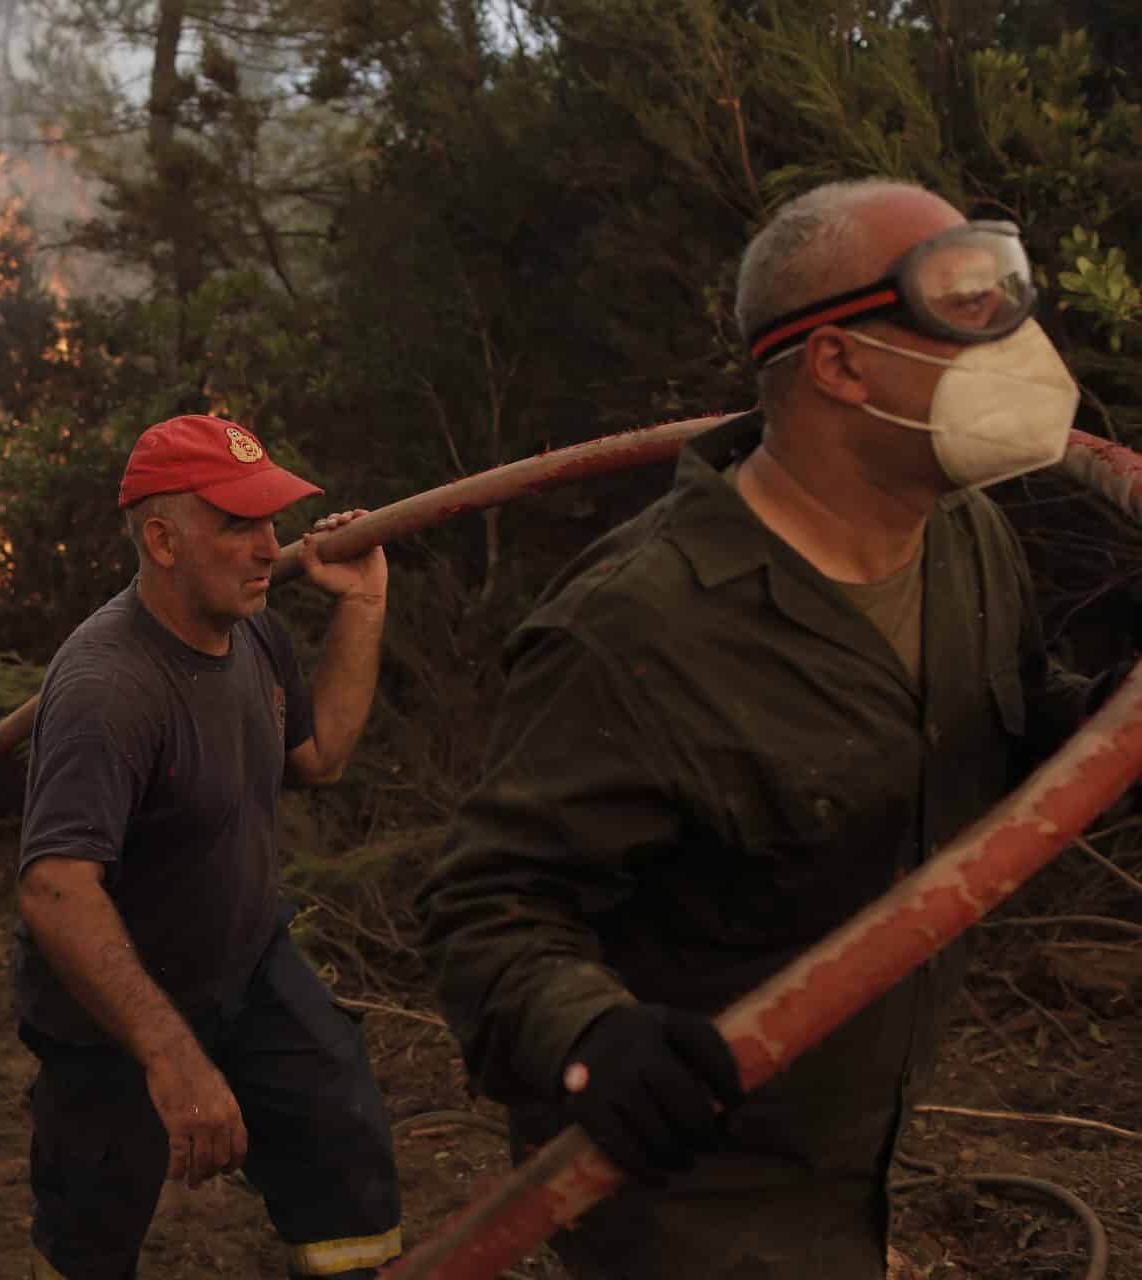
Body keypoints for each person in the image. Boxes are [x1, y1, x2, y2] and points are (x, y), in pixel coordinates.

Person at [415, 178, 1105, 1278]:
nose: (1011, 337)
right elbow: (486, 909)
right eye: (960, 303)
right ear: (837, 363)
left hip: (853, 1157)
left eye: (1006, 293)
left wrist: (1100, 722)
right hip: (687, 1205)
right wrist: (593, 1038)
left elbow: (1013, 710)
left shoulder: (968, 540)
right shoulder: (635, 626)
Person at [13, 414, 403, 1279]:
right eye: (239, 525)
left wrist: (365, 601)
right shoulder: (107, 687)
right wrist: (173, 1059)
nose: (270, 548)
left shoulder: (252, 627)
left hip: (247, 966)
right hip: (111, 1013)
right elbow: (55, 891)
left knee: (343, 1146)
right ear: (162, 538)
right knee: (90, 1238)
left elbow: (321, 754)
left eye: (271, 521)